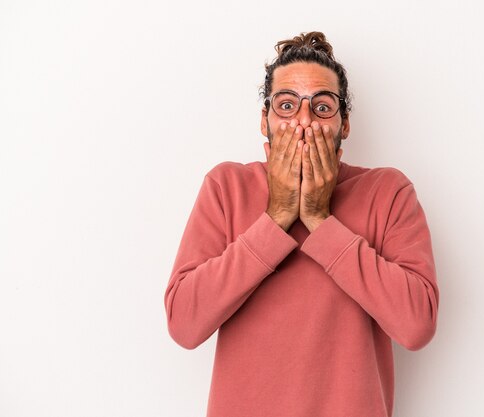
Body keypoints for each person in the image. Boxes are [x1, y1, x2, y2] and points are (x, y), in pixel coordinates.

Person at [164, 31, 439, 417]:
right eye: (287, 105)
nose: (304, 121)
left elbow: (416, 327)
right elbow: (184, 324)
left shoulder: (387, 191)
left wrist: (318, 218)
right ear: (265, 120)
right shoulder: (226, 187)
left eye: (322, 107)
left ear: (344, 124)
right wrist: (277, 216)